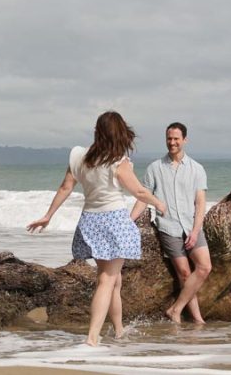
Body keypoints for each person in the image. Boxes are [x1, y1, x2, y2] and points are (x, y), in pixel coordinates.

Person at [27, 111, 167, 346]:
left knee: (115, 280)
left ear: (97, 131)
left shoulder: (79, 157)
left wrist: (48, 215)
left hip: (90, 221)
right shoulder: (118, 161)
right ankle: (93, 337)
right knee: (107, 279)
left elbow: (65, 188)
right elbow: (139, 192)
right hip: (113, 223)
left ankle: (119, 330)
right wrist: (160, 203)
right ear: (119, 133)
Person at [132, 122, 211, 324]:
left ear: (185, 140)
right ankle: (197, 319)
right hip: (168, 227)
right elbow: (143, 196)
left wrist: (195, 231)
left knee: (204, 268)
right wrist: (129, 220)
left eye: (176, 138)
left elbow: (200, 202)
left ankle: (175, 309)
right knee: (184, 273)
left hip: (191, 226)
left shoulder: (197, 169)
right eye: (169, 138)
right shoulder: (155, 168)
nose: (172, 142)